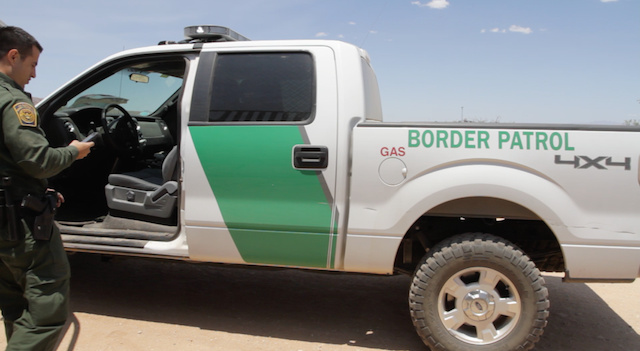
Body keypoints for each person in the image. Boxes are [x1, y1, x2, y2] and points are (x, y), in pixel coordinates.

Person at [0, 26, 94, 350]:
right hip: (20, 225)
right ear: (13, 56)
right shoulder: (13, 103)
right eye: (33, 64)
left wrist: (41, 192)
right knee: (47, 313)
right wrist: (75, 151)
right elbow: (39, 161)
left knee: (15, 304)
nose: (35, 74)